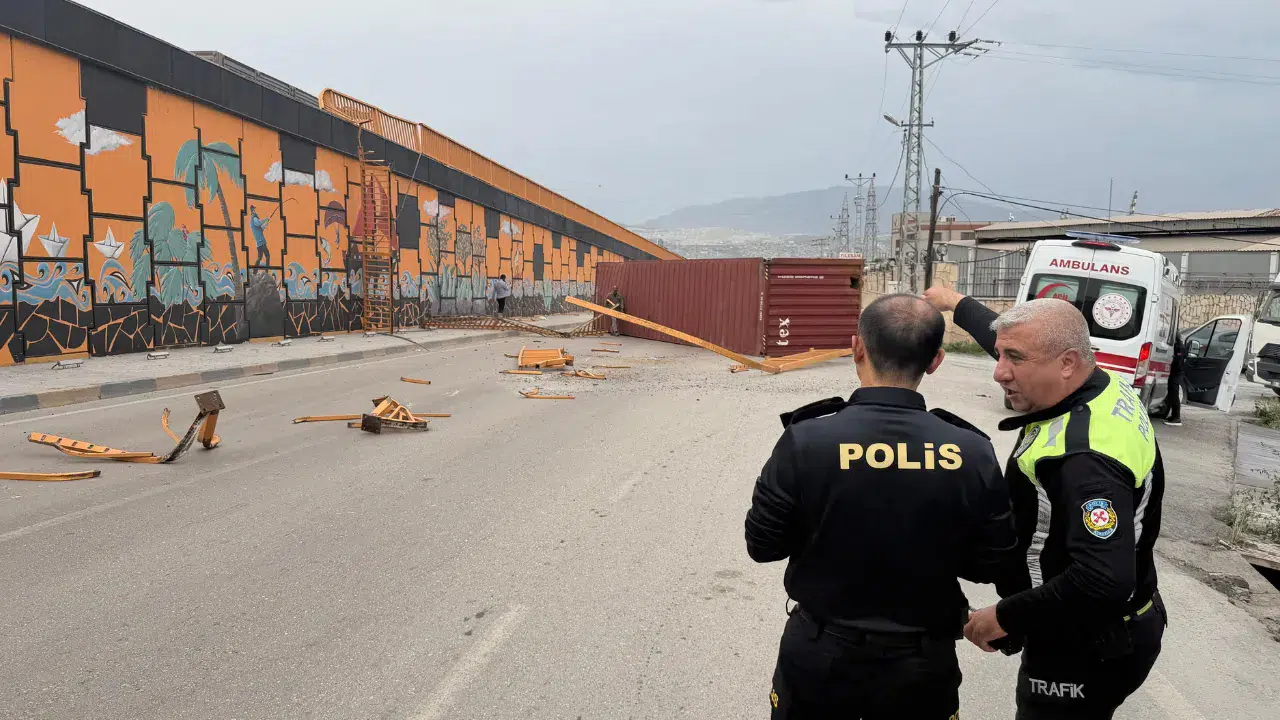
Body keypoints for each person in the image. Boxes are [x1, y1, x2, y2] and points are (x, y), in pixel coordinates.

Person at [746, 293, 1019, 719]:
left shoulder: (807, 440)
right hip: (922, 664)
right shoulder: (971, 450)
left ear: (857, 347)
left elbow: (762, 545)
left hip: (819, 657)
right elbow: (992, 563)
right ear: (935, 361)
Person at [924, 288, 1167, 720]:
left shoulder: (1083, 459)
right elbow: (1013, 338)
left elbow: (1102, 579)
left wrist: (1004, 616)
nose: (999, 373)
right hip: (1120, 620)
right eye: (1000, 356)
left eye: (1013, 359)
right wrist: (952, 300)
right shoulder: (1095, 380)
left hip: (1085, 644)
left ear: (1068, 362)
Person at [1165, 331, 1185, 426]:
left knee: (1174, 395)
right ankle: (1173, 416)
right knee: (1171, 394)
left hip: (1176, 374)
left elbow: (1178, 362)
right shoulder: (1177, 346)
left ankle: (1177, 418)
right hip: (1175, 373)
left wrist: (1173, 358)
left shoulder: (1179, 347)